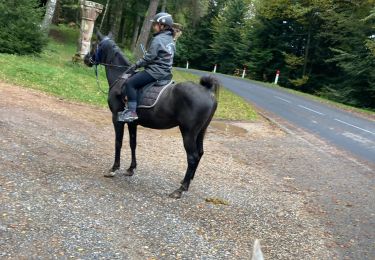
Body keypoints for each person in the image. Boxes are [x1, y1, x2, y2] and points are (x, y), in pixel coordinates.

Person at [118, 12, 176, 122]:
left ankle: (131, 112)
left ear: (162, 26)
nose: (154, 27)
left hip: (155, 72)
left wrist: (136, 65)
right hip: (166, 72)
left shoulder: (158, 39)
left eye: (155, 24)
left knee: (130, 83)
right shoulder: (171, 40)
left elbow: (149, 58)